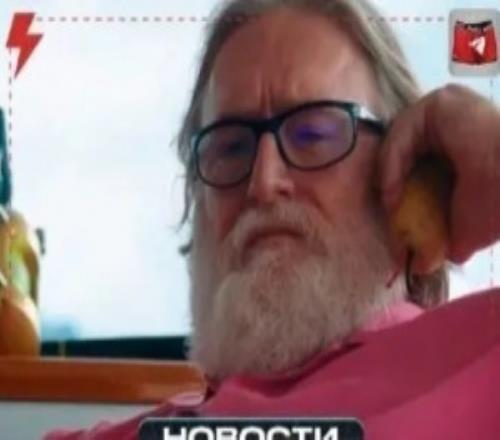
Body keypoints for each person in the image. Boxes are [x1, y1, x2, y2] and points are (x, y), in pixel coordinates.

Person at [46, 0, 500, 438]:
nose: (263, 182)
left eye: (314, 134)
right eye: (231, 148)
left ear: (406, 164)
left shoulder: (480, 360)